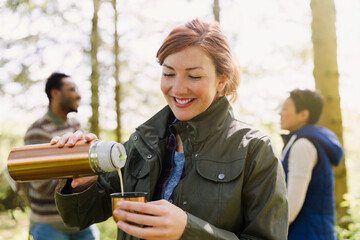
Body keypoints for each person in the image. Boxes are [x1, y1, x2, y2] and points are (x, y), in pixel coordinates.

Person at [53, 19, 288, 240]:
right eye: (168, 74)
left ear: (221, 80)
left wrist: (189, 230)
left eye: (194, 76)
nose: (177, 88)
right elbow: (81, 216)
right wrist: (84, 181)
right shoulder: (143, 141)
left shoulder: (255, 150)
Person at [23, 72, 99, 240]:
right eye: (72, 89)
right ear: (55, 93)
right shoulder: (38, 131)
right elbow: (41, 185)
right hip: (49, 226)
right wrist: (82, 179)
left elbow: (85, 165)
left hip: (82, 221)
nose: (78, 95)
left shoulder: (75, 125)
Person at [279, 89, 344, 239]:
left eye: (286, 109)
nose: (280, 113)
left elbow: (292, 207)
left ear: (303, 115)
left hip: (306, 234)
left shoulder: (303, 145)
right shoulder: (307, 141)